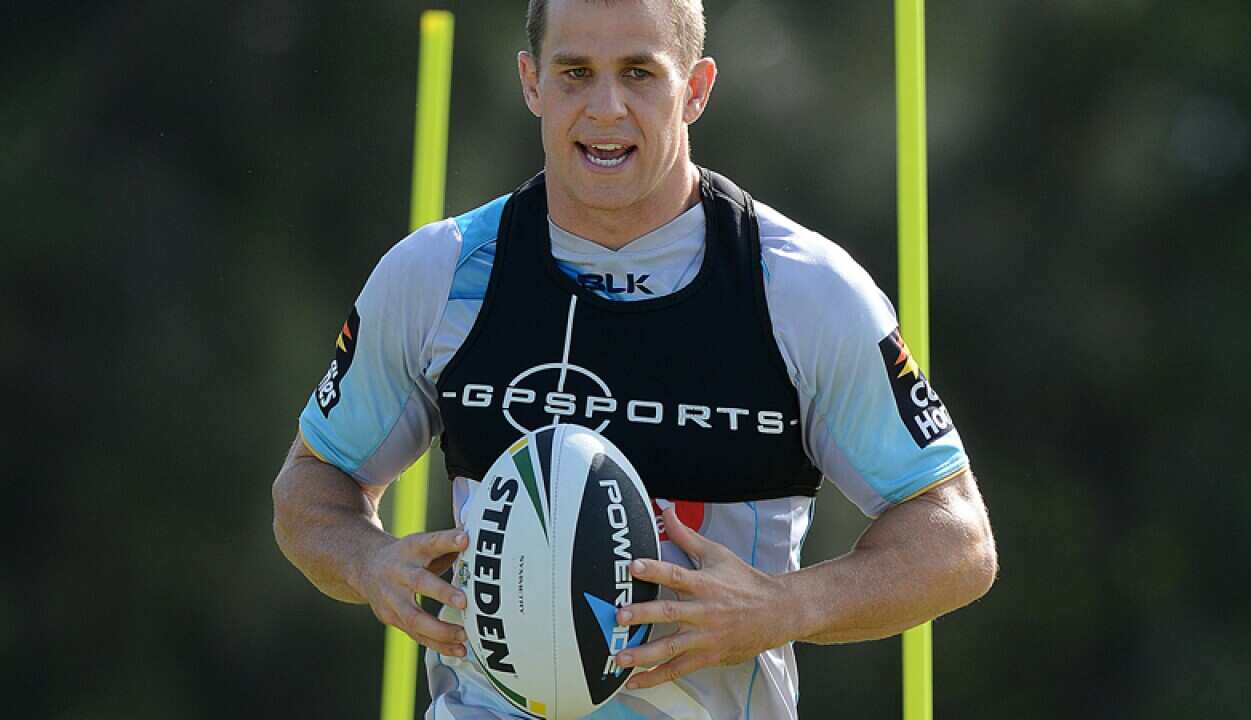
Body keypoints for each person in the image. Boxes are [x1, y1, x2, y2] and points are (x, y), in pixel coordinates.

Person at [272, 0, 998, 717]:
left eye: (640, 74)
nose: (606, 108)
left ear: (697, 89)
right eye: (576, 73)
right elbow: (311, 483)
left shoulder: (801, 288)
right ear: (532, 82)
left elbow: (957, 540)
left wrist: (785, 605)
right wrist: (371, 564)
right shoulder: (440, 273)